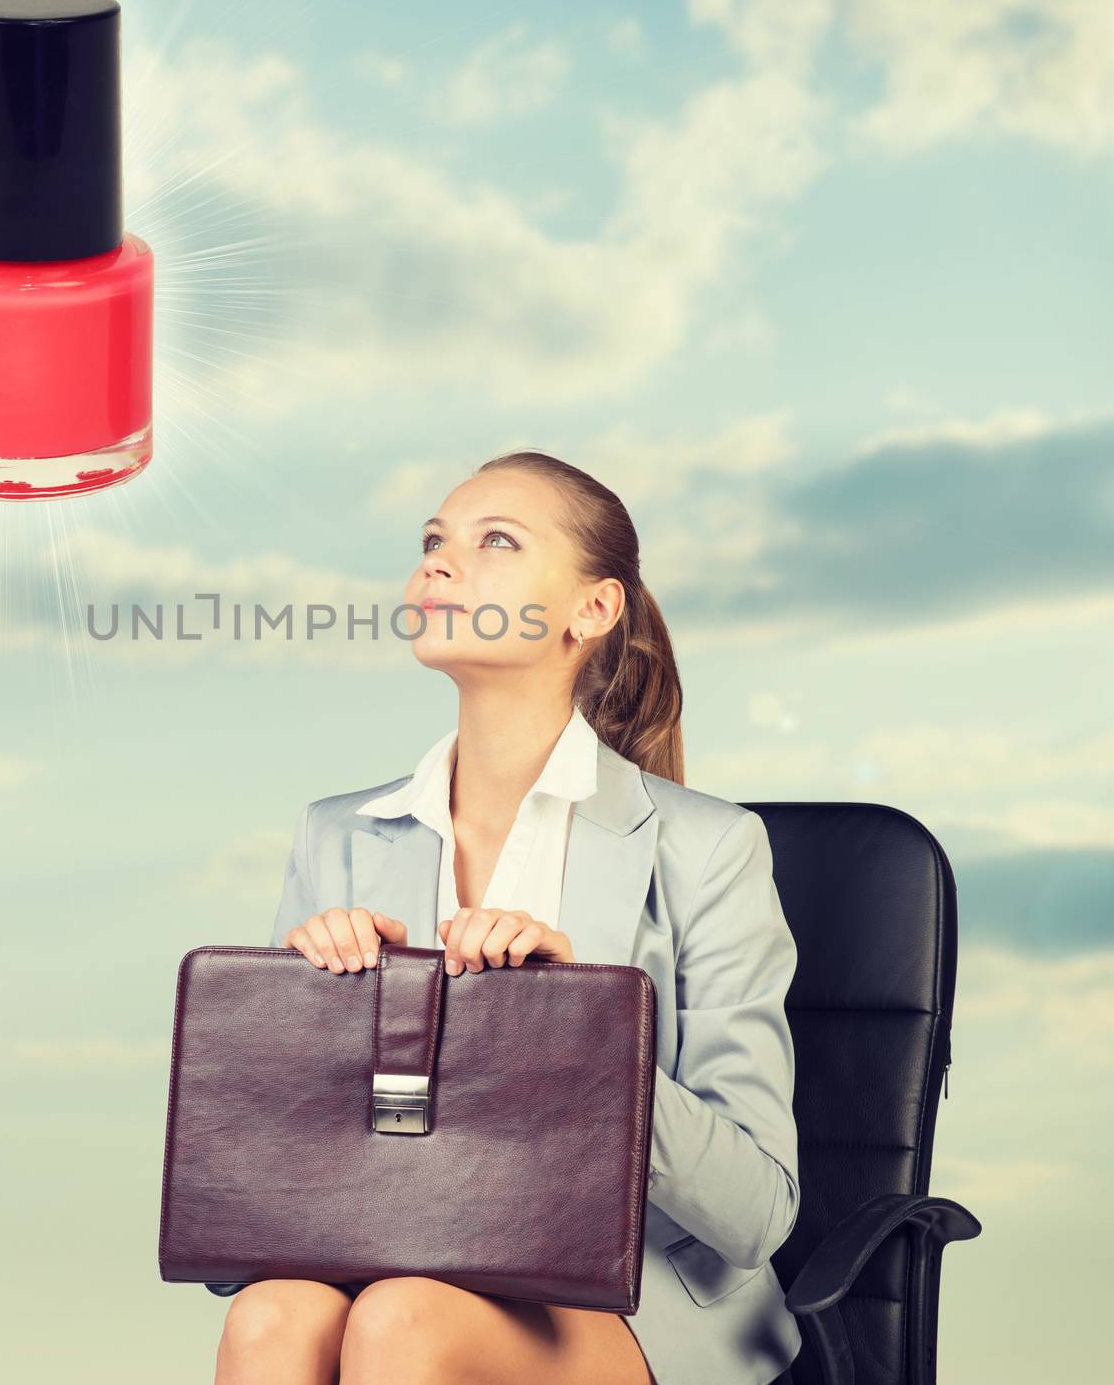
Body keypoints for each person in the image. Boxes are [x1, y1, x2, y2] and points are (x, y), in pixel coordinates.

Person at [212, 451, 803, 1385]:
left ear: (593, 610)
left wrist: (583, 1035)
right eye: (433, 542)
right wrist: (301, 1034)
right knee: (269, 1316)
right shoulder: (337, 837)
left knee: (404, 1324)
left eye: (495, 541)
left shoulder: (711, 848)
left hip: (633, 1299)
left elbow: (758, 1211)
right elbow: (286, 1189)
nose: (439, 564)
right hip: (399, 1260)